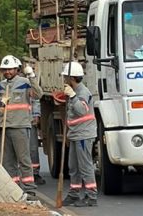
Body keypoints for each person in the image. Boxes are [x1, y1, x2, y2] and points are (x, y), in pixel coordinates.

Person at [0, 55, 42, 197]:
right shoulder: (0, 85)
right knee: (8, 162)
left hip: (20, 126)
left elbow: (38, 94)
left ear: (17, 69)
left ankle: (29, 189)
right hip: (4, 126)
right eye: (5, 69)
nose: (7, 72)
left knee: (24, 160)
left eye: (10, 69)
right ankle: (12, 189)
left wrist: (31, 76)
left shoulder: (25, 83)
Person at [61, 60, 98, 207]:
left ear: (72, 78)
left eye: (66, 77)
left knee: (85, 166)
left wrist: (73, 97)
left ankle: (91, 196)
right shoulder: (74, 92)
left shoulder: (82, 92)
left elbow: (82, 110)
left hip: (84, 135)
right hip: (75, 134)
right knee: (73, 166)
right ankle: (74, 194)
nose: (64, 80)